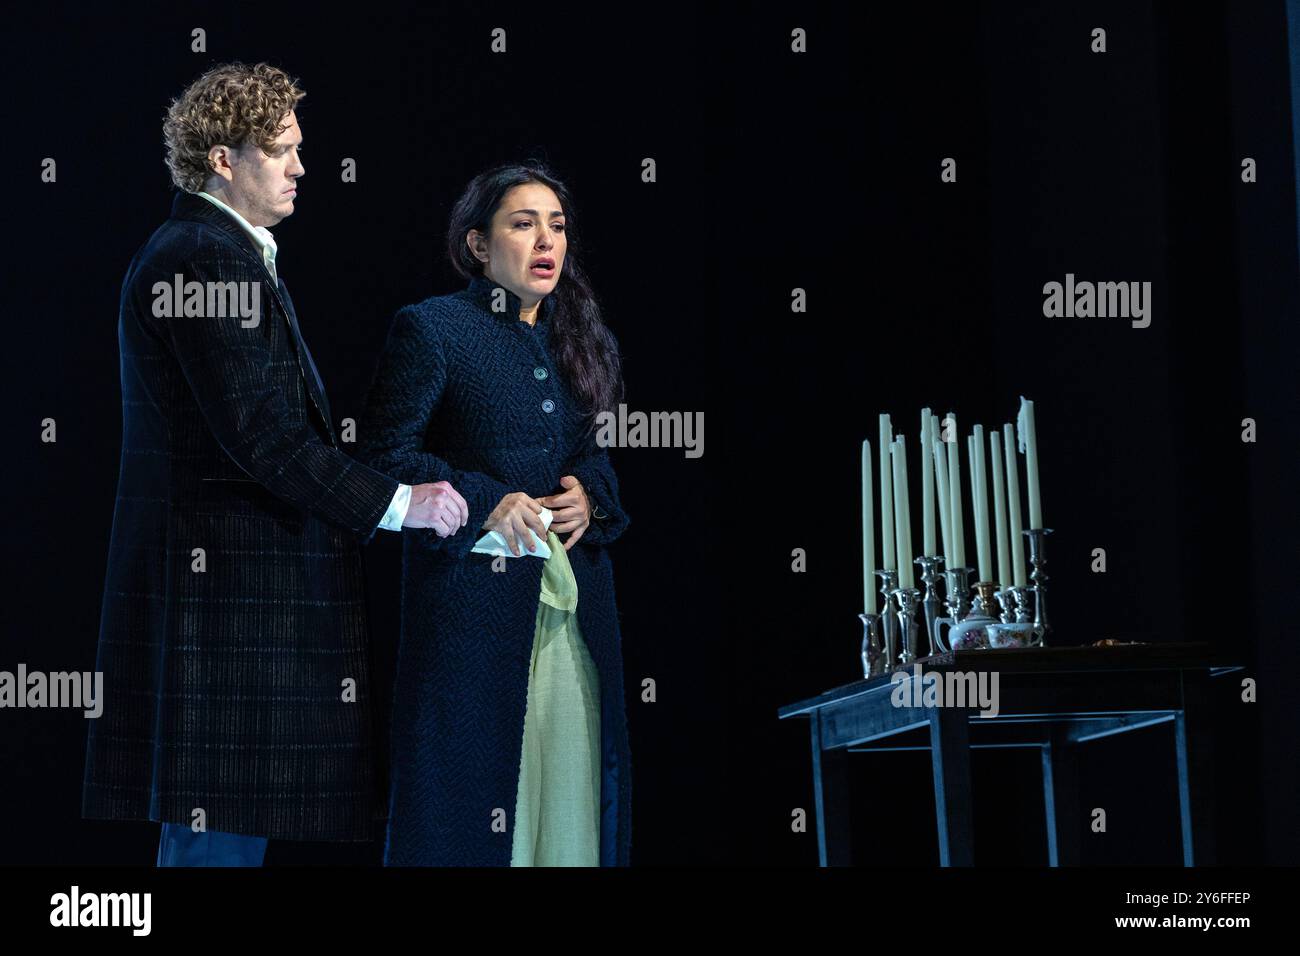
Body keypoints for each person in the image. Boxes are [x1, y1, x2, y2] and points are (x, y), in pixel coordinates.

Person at [81, 62, 464, 867]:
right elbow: (262, 437)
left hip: (227, 599)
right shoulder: (204, 257)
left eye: (300, 147)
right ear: (224, 159)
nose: (300, 167)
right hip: (223, 605)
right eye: (281, 150)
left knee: (217, 829)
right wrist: (400, 503)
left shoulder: (221, 251)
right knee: (212, 832)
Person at [359, 163, 633, 866]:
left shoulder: (575, 343)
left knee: (570, 812)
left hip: (570, 619)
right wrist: (485, 501)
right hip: (471, 624)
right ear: (478, 245)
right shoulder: (433, 329)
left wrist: (590, 495)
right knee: (472, 821)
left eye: (558, 225)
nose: (547, 239)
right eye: (523, 222)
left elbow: (591, 457)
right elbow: (385, 459)